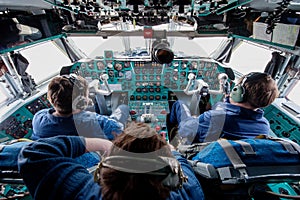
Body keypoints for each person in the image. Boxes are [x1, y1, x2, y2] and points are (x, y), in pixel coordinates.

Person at [18, 122, 204, 200]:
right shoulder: (189, 192)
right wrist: (171, 151)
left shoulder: (79, 191)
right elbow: (182, 167)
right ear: (170, 178)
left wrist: (103, 144)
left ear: (103, 173)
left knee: (87, 158)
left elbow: (34, 153)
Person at [168, 72, 279, 144]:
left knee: (180, 104)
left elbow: (185, 130)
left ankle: (170, 129)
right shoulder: (264, 125)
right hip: (231, 163)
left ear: (238, 92)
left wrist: (194, 119)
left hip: (199, 156)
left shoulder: (215, 117)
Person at [31, 74, 129, 140]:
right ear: (82, 101)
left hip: (56, 159)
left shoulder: (39, 117)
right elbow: (118, 131)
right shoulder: (95, 122)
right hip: (91, 160)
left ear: (49, 98)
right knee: (123, 108)